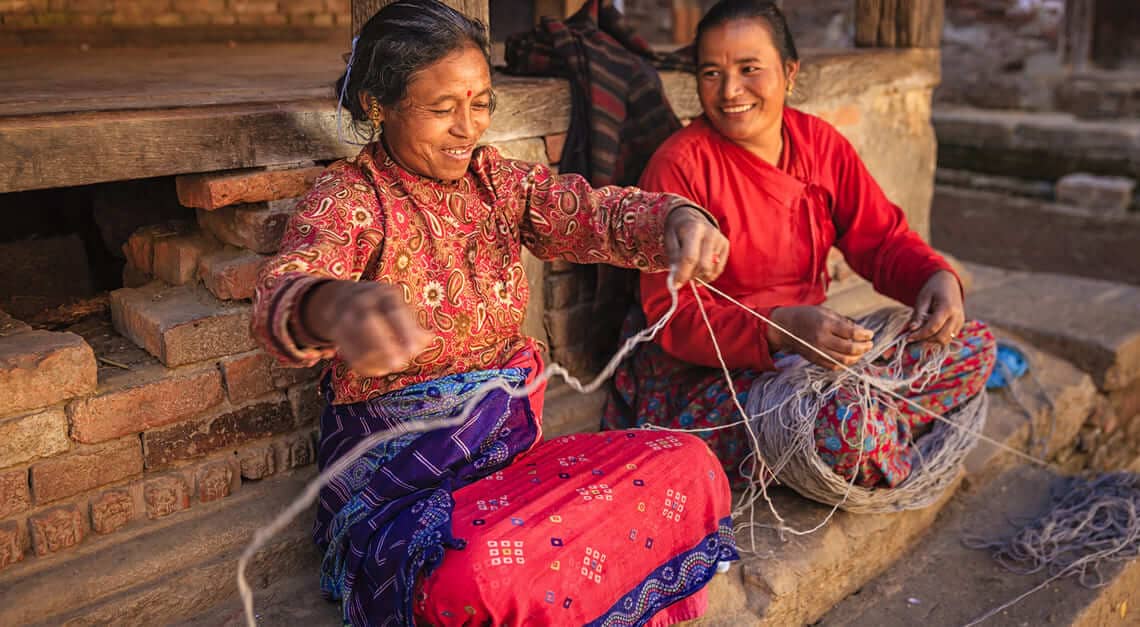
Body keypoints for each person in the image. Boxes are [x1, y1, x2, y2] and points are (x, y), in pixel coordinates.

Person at [251, 1, 738, 625]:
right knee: (482, 570)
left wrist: (675, 218)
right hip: (414, 500)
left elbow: (589, 211)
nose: (467, 128)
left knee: (688, 465)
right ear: (380, 106)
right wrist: (333, 304)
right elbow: (283, 287)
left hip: (512, 472)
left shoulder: (497, 184)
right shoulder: (349, 199)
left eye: (481, 103)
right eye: (442, 108)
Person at [603, 0, 997, 490]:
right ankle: (872, 435)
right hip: (708, 379)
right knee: (844, 427)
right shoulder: (681, 165)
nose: (730, 92)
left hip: (811, 359)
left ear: (789, 74)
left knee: (973, 345)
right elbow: (673, 317)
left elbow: (882, 240)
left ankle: (870, 432)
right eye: (711, 73)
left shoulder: (821, 145)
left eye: (750, 69)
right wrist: (777, 328)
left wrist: (935, 277)